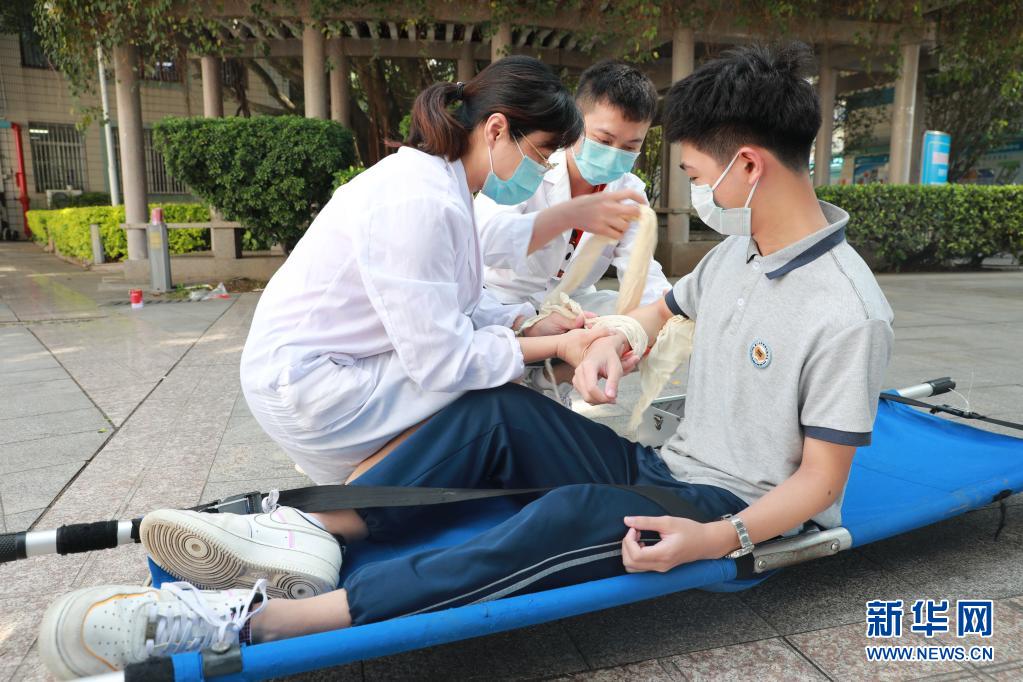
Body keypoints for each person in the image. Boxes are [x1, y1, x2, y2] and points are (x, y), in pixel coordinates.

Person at [38, 43, 895, 679]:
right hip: (662, 465)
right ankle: (309, 532)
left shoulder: (846, 310)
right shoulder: (740, 251)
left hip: (725, 502)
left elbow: (820, 485)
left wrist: (714, 538)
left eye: (695, 173)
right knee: (497, 411)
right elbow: (661, 308)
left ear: (746, 165)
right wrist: (615, 342)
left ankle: (252, 620)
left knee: (569, 515)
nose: (695, 190)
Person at [236, 56, 614, 490]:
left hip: (338, 367)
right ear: (496, 129)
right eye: (541, 154)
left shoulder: (444, 184)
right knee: (490, 401)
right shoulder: (419, 200)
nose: (542, 169)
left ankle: (352, 499)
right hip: (311, 386)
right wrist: (559, 345)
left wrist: (524, 323)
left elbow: (457, 300)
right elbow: (444, 362)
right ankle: (328, 512)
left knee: (495, 378)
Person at [476, 60, 670, 317]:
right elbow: (482, 240)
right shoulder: (529, 166)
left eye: (630, 147)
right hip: (503, 299)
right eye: (604, 140)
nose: (614, 154)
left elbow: (640, 268)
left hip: (572, 302)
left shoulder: (628, 193)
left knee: (638, 315)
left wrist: (667, 308)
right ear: (575, 123)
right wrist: (562, 219)